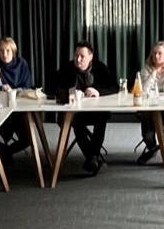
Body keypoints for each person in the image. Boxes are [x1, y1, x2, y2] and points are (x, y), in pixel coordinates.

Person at [49, 41, 118, 176]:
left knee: (101, 117)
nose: (78, 59)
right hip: (73, 111)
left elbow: (115, 87)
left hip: (95, 111)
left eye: (82, 56)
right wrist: (68, 93)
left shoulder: (100, 67)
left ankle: (91, 157)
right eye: (76, 55)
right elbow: (51, 87)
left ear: (91, 57)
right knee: (76, 120)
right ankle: (92, 157)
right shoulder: (67, 67)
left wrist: (99, 92)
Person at [0, 38, 35, 155]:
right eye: (1, 51)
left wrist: (13, 91)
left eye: (8, 50)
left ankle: (4, 154)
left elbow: (28, 87)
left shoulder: (22, 63)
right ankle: (2, 156)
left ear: (13, 51)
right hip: (0, 109)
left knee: (28, 138)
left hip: (19, 109)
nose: (4, 54)